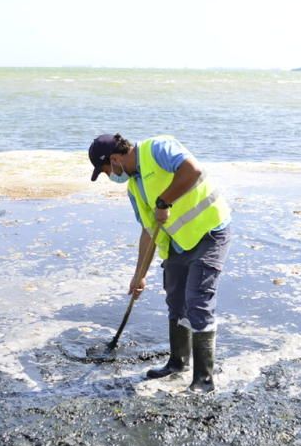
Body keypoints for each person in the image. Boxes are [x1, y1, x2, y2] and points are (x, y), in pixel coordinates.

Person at [88, 133, 232, 393]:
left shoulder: (158, 148)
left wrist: (164, 200)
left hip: (209, 232)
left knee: (198, 300)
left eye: (106, 170)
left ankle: (204, 379)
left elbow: (193, 170)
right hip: (178, 243)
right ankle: (178, 363)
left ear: (115, 159)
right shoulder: (133, 187)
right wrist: (139, 275)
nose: (110, 176)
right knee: (175, 299)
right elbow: (148, 230)